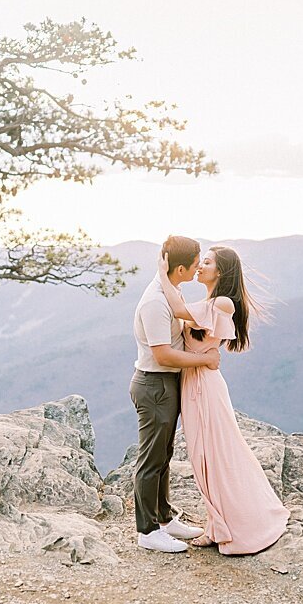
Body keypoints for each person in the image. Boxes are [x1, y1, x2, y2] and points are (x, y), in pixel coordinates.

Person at [157, 245, 291, 555]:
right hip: (197, 381)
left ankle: (228, 526)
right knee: (206, 456)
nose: (200, 266)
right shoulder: (211, 302)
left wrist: (163, 273)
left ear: (221, 271)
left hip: (203, 386)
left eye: (207, 262)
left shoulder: (223, 303)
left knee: (211, 456)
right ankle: (218, 524)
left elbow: (177, 309)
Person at [129, 235, 218, 553]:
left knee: (163, 455)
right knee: (151, 459)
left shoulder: (171, 290)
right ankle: (147, 530)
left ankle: (165, 518)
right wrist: (204, 360)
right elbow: (163, 355)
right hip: (154, 384)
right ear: (180, 268)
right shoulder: (155, 302)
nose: (197, 269)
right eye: (195, 265)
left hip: (166, 384)